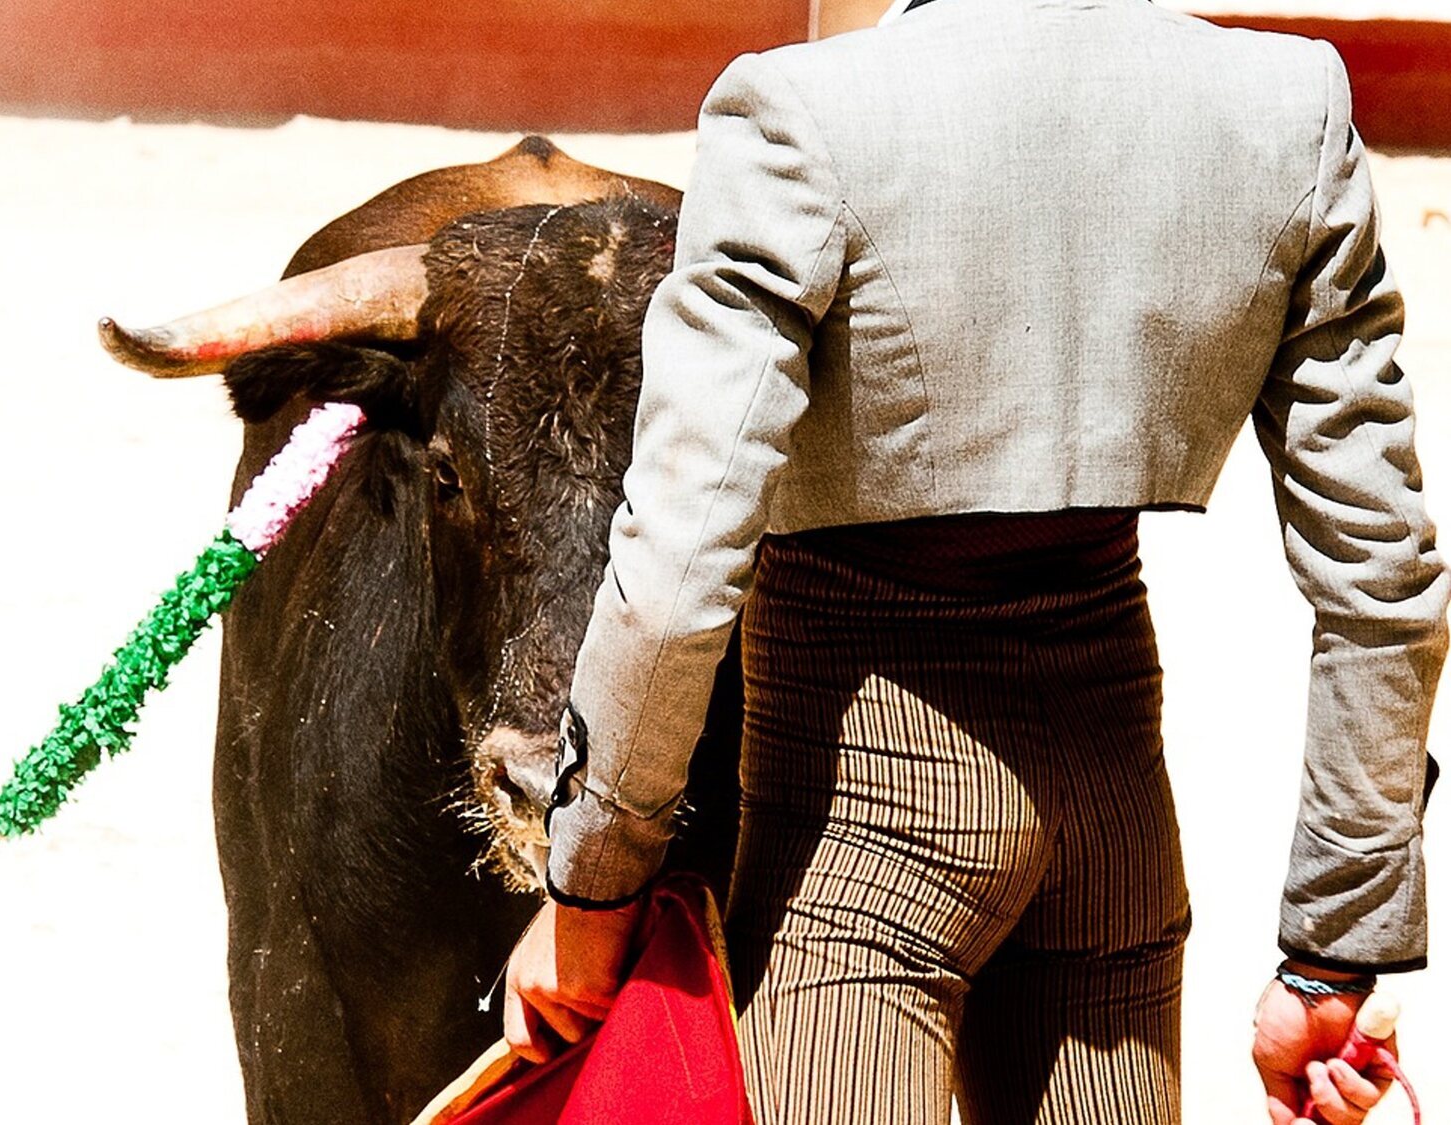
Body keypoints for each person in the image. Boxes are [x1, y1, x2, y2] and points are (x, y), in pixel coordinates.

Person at [503, 0, 1448, 1122]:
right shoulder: (1287, 105)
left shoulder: (799, 110)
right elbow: (1383, 585)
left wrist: (594, 887)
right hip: (1115, 816)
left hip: (856, 828)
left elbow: (674, 575)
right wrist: (1330, 961)